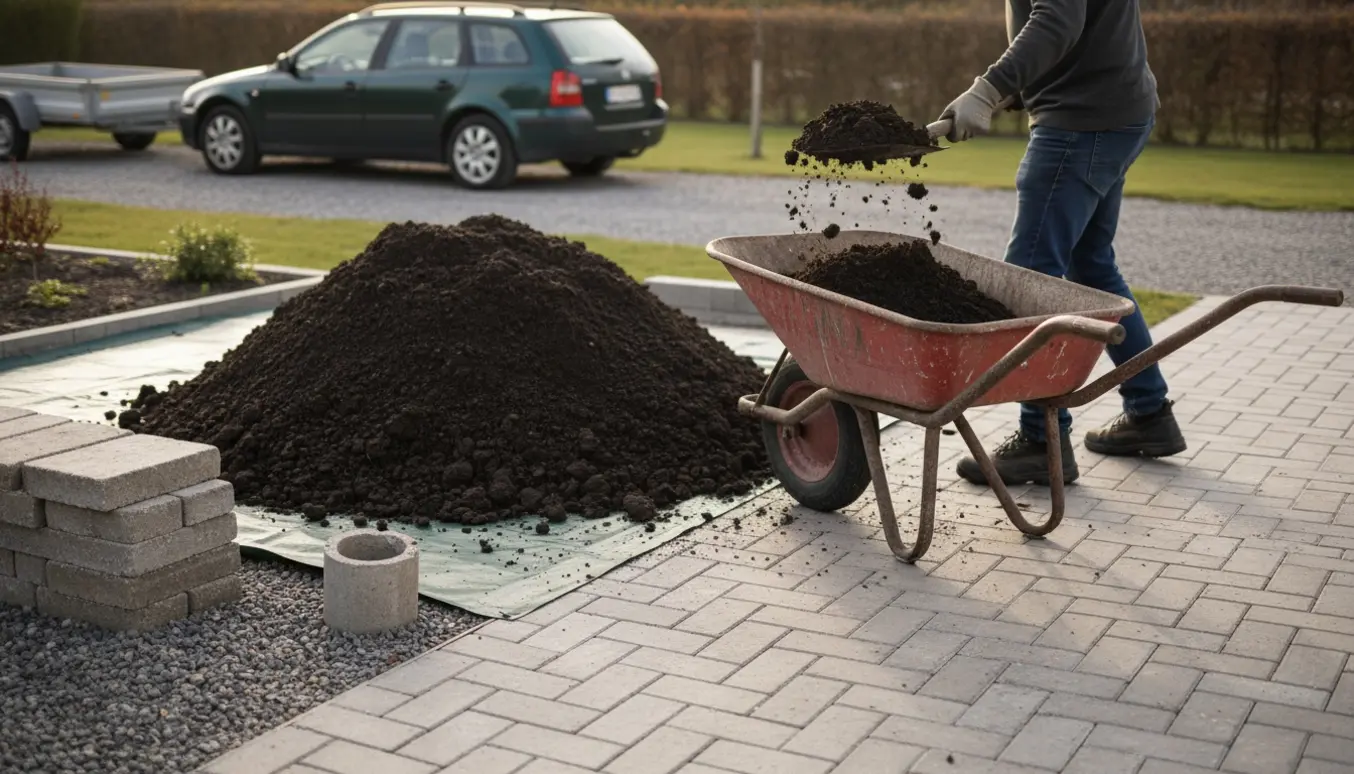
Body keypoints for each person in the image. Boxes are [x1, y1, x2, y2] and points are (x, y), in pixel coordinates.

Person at [935, 0, 1186, 487]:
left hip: (1080, 124)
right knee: (1091, 265)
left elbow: (1058, 19)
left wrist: (987, 89)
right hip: (1113, 110)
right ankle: (1149, 411)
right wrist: (1022, 87)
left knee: (1031, 278)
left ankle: (1039, 440)